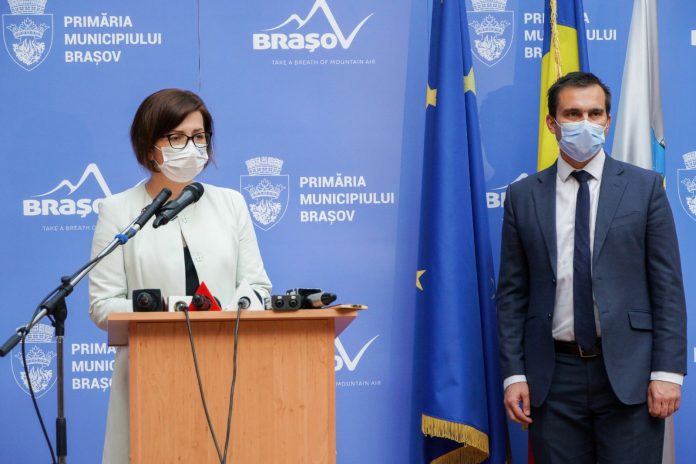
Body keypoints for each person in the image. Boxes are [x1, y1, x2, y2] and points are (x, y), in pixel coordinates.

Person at [496, 72, 686, 463]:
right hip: (553, 379)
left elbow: (667, 288)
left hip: (630, 375)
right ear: (552, 123)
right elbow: (513, 294)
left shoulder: (645, 188)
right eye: (573, 114)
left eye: (595, 113)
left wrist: (667, 373)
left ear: (608, 121)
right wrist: (514, 375)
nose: (586, 123)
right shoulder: (522, 196)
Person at [88, 89, 272, 464]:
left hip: (229, 366)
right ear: (149, 145)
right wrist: (175, 307)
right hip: (152, 374)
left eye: (199, 136)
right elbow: (103, 306)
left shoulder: (231, 204)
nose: (191, 147)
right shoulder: (118, 210)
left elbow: (257, 287)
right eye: (176, 137)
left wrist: (230, 309)